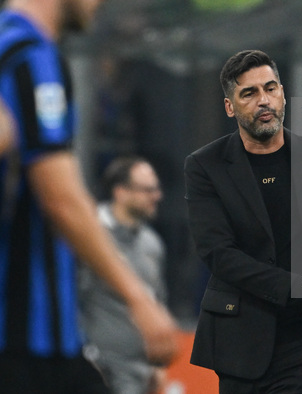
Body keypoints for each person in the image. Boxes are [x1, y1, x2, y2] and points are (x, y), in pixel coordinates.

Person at [0, 1, 179, 392]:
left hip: (47, 343)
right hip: (25, 341)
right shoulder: (29, 55)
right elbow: (60, 197)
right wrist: (139, 298)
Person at [184, 49, 302, 394]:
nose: (263, 100)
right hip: (239, 342)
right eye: (249, 93)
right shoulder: (206, 166)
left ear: (283, 94)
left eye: (270, 88)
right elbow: (219, 254)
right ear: (230, 107)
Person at [79, 157, 169, 394]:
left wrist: (157, 366)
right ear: (121, 192)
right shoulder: (89, 236)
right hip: (98, 372)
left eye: (157, 188)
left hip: (139, 375)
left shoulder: (152, 244)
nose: (156, 196)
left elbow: (156, 301)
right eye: (148, 190)